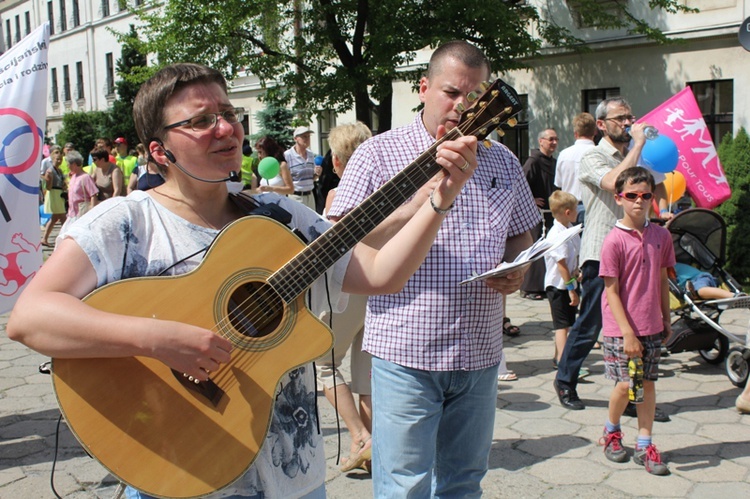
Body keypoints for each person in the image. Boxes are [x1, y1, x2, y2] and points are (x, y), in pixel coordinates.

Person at [6, 62, 478, 499]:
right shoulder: (126, 224)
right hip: (176, 466)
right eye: (201, 120)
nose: (227, 128)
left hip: (294, 475)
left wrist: (439, 200)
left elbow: (380, 274)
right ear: (159, 150)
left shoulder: (281, 217)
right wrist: (158, 338)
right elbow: (30, 317)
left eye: (228, 113)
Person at [328, 40, 540, 497]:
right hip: (407, 349)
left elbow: (523, 232)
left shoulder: (501, 160)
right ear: (423, 88)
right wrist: (421, 199)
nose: (463, 107)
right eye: (451, 92)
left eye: (476, 95)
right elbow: (342, 240)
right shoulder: (379, 154)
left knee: (464, 481)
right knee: (404, 485)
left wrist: (515, 268)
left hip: (480, 350)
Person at [553, 96, 672, 422]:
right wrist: (636, 147)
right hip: (602, 251)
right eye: (621, 118)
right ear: (602, 124)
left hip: (640, 249)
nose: (629, 122)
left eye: (630, 116)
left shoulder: (638, 154)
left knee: (636, 327)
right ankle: (565, 380)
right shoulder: (593, 156)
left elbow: (656, 187)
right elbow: (615, 184)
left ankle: (634, 395)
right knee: (591, 324)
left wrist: (663, 209)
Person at [598, 166, 674, 476]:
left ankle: (645, 444)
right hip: (622, 330)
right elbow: (611, 291)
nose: (638, 201)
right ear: (619, 198)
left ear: (652, 198)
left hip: (652, 326)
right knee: (628, 385)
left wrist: (667, 318)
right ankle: (611, 430)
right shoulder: (614, 241)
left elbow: (662, 279)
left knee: (648, 386)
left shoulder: (660, 235)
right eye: (631, 195)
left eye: (645, 195)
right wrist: (628, 333)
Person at [316, 122, 374, 473]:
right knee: (366, 374)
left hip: (344, 291)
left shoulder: (338, 196)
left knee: (323, 364)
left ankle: (358, 437)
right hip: (379, 290)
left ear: (337, 161)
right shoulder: (387, 192)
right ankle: (369, 447)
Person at [520, 128, 559, 300]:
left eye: (556, 139)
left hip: (551, 212)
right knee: (535, 247)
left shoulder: (554, 162)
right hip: (536, 214)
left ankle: (545, 284)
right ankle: (530, 287)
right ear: (541, 141)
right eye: (550, 139)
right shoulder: (532, 162)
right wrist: (531, 200)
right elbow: (520, 185)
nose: (554, 143)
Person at [544, 190, 581, 370]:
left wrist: (577, 272)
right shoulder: (557, 234)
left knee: (567, 324)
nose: (577, 213)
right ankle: (564, 363)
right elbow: (561, 265)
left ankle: (557, 357)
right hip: (559, 287)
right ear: (568, 212)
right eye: (575, 210)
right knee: (562, 326)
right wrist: (571, 289)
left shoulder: (568, 230)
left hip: (567, 283)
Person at [554, 113, 597, 225]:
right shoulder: (599, 153)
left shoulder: (563, 154)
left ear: (575, 134)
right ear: (595, 132)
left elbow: (558, 183)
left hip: (567, 207)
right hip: (591, 206)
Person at [284, 126, 317, 209]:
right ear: (295, 139)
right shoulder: (288, 155)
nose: (307, 139)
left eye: (308, 136)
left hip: (310, 196)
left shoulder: (310, 154)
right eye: (304, 137)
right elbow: (284, 179)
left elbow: (312, 178)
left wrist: (317, 174)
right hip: (296, 197)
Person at [62, 150, 99, 226]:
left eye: (68, 164)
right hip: (71, 215)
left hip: (82, 214)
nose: (67, 166)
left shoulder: (85, 177)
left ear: (74, 164)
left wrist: (92, 212)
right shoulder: (73, 176)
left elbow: (93, 195)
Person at [41, 146, 67, 247]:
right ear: (52, 159)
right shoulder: (50, 170)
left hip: (59, 194)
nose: (59, 161)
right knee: (62, 217)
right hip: (53, 193)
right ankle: (65, 237)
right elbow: (48, 186)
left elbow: (62, 183)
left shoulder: (59, 170)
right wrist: (49, 178)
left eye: (60, 159)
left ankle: (45, 238)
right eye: (57, 159)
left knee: (55, 218)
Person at [673, 262, 738, 300]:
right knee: (696, 290)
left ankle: (735, 297)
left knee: (700, 290)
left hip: (699, 278)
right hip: (691, 284)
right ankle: (692, 293)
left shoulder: (670, 267)